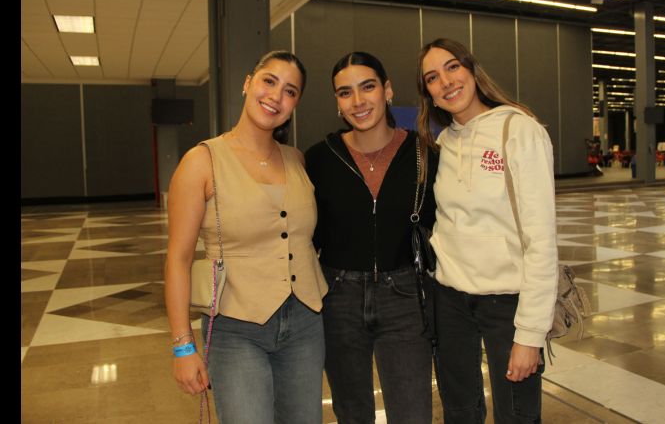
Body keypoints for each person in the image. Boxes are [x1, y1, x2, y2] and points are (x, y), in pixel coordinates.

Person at [164, 51, 327, 423]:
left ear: (295, 103)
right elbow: (178, 259)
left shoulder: (296, 161)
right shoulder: (201, 161)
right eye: (269, 81)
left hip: (304, 323)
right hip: (235, 328)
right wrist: (182, 346)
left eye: (290, 91)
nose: (275, 96)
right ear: (247, 83)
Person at [416, 38, 558, 424]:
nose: (445, 81)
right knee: (460, 412)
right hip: (450, 302)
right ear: (427, 92)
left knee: (517, 415)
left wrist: (530, 334)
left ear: (472, 70)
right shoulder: (442, 143)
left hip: (507, 304)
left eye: (452, 67)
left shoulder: (519, 129)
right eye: (432, 77)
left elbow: (541, 239)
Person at [305, 51, 438, 424]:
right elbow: (302, 233)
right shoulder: (318, 159)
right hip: (338, 299)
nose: (358, 101)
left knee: (412, 412)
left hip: (406, 298)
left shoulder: (424, 154)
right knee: (351, 413)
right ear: (337, 102)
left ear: (388, 90)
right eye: (345, 92)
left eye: (368, 87)